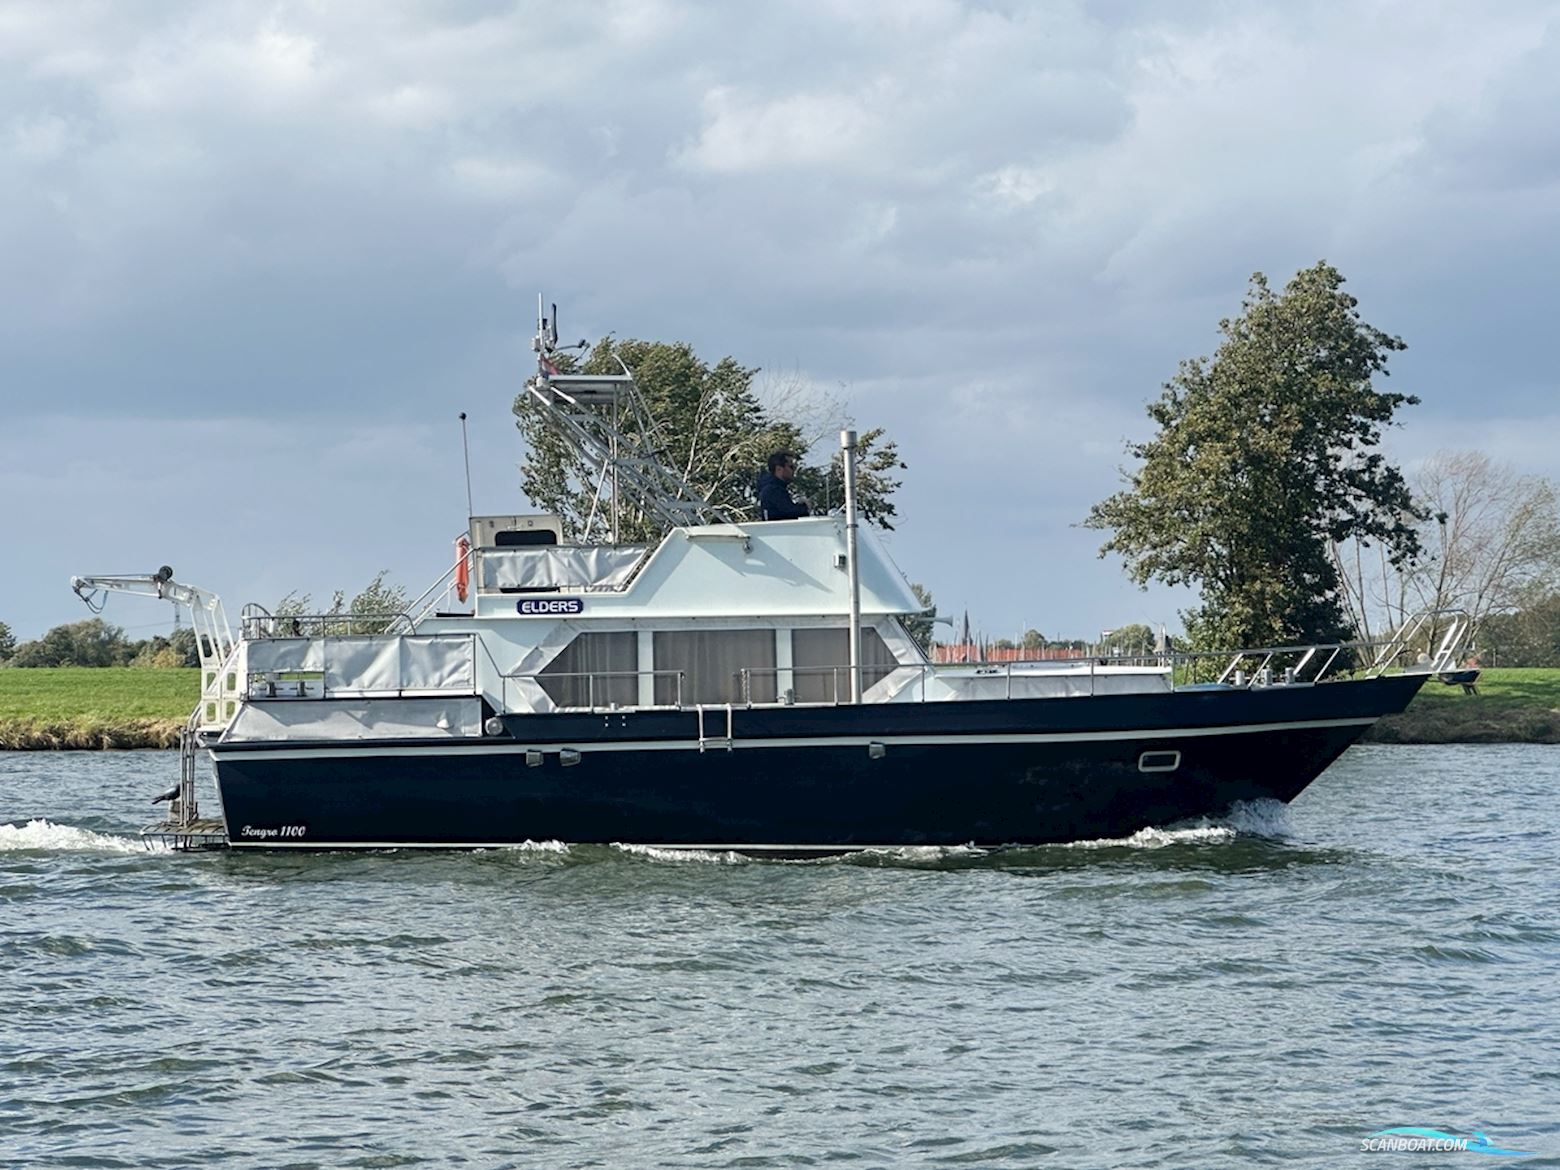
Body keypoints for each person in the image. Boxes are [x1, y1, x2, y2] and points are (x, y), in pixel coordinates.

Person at [756, 451, 810, 520]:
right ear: (779, 469)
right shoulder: (773, 490)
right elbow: (790, 512)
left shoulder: (774, 488)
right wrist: (805, 507)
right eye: (791, 467)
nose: (794, 470)